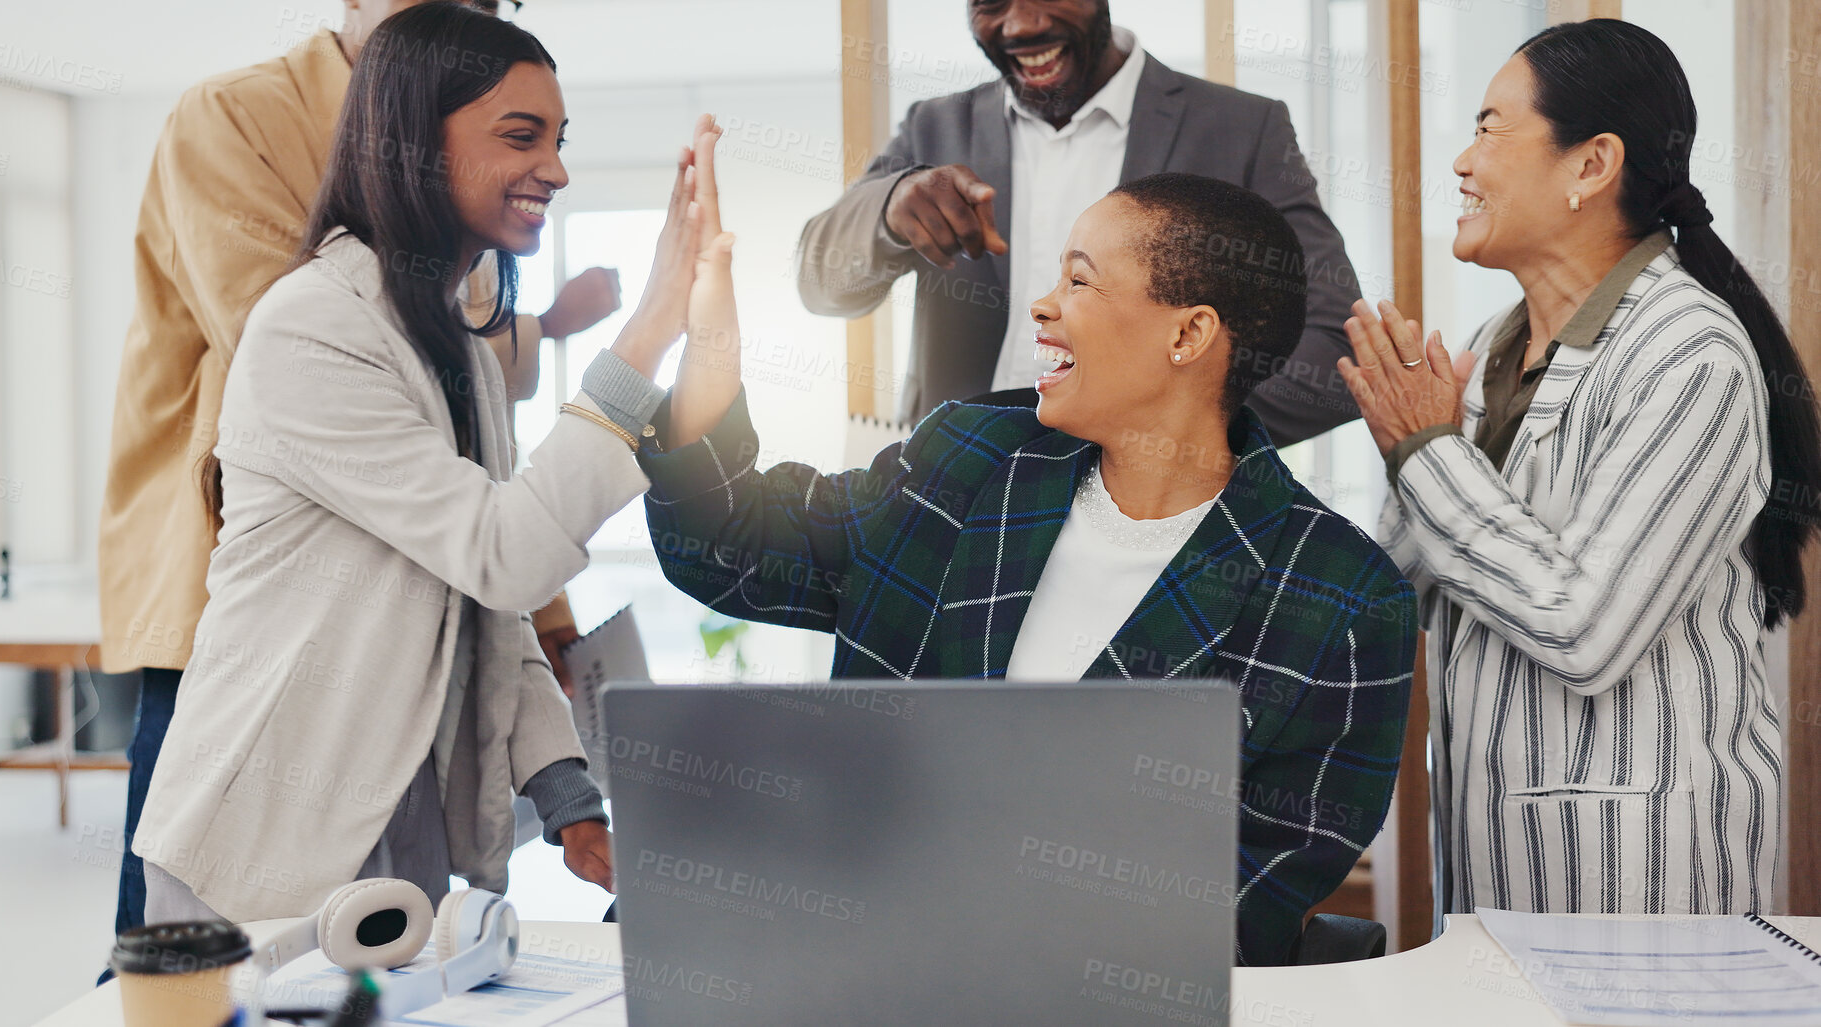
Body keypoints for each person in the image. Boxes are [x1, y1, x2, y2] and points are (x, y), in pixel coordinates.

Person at [648, 130, 1416, 964]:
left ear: (1189, 334)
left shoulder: (1340, 597)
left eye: (1078, 280)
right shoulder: (973, 456)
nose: (1042, 306)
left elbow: (1238, 912)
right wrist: (708, 332)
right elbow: (723, 541)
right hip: (865, 970)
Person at [132, 5, 709, 924]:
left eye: (558, 140)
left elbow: (488, 603)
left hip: (399, 834)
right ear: (410, 142)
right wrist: (646, 330)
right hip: (261, 856)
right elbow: (507, 550)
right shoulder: (313, 324)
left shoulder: (462, 348)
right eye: (521, 137)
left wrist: (569, 802)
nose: (555, 170)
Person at [1338, 19, 1814, 917]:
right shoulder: (1485, 353)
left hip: (1645, 881)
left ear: (1590, 165)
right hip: (1492, 875)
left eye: (1488, 127)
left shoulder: (1690, 352)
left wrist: (1424, 452)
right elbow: (1405, 593)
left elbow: (1580, 626)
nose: (1461, 162)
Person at [795, 0, 1363, 444]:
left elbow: (1341, 345)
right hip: (958, 507)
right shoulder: (936, 127)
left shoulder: (1241, 128)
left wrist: (1176, 435)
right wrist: (890, 210)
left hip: (1158, 519)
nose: (1020, 24)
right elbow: (819, 282)